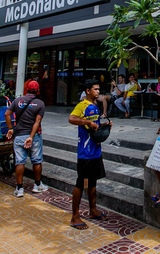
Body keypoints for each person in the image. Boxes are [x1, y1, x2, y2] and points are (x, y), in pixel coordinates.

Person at [69, 79, 112, 229]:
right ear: (88, 91)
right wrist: (88, 123)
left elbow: (95, 125)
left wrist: (103, 125)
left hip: (95, 150)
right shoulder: (82, 105)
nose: (98, 92)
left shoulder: (95, 106)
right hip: (85, 152)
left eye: (99, 89)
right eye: (95, 89)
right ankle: (75, 216)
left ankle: (92, 210)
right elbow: (71, 118)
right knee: (81, 182)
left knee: (93, 181)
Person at [5, 79, 47, 197]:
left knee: (19, 162)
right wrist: (31, 137)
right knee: (37, 160)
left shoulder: (18, 100)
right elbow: (37, 122)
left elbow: (7, 114)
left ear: (27, 89)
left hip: (19, 135)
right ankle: (37, 185)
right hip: (34, 136)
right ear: (37, 90)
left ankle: (19, 189)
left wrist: (10, 128)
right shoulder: (40, 104)